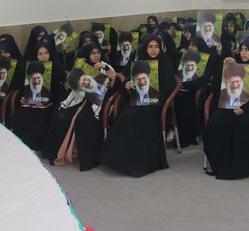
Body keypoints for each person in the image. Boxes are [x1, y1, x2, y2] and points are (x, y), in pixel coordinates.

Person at [99, 34, 175, 177]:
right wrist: (127, 85)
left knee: (134, 118)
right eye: (150, 47)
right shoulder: (140, 63)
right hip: (137, 103)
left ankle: (138, 163)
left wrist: (154, 100)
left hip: (155, 105)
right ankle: (120, 160)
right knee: (124, 117)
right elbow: (129, 81)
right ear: (145, 48)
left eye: (156, 47)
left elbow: (168, 88)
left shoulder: (166, 64)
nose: (153, 50)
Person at [203, 36, 249, 180]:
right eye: (242, 50)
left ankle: (237, 167)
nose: (243, 53)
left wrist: (244, 109)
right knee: (215, 121)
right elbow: (218, 89)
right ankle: (220, 164)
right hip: (230, 107)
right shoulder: (235, 66)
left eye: (247, 50)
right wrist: (225, 66)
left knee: (240, 123)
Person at [43, 43, 115, 171]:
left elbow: (114, 85)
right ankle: (59, 152)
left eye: (98, 52)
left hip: (95, 103)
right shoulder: (81, 66)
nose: (96, 55)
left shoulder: (106, 67)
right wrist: (76, 69)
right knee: (61, 116)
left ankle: (85, 157)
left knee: (82, 120)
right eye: (93, 53)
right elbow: (67, 87)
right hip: (77, 99)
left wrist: (107, 70)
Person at [10, 60, 57, 150]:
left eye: (38, 78)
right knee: (22, 112)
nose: (36, 81)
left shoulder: (47, 91)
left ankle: (35, 145)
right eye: (34, 78)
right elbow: (21, 97)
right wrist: (22, 100)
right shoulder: (26, 88)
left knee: (40, 115)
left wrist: (45, 104)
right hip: (28, 107)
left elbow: (53, 100)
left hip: (44, 109)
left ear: (42, 77)